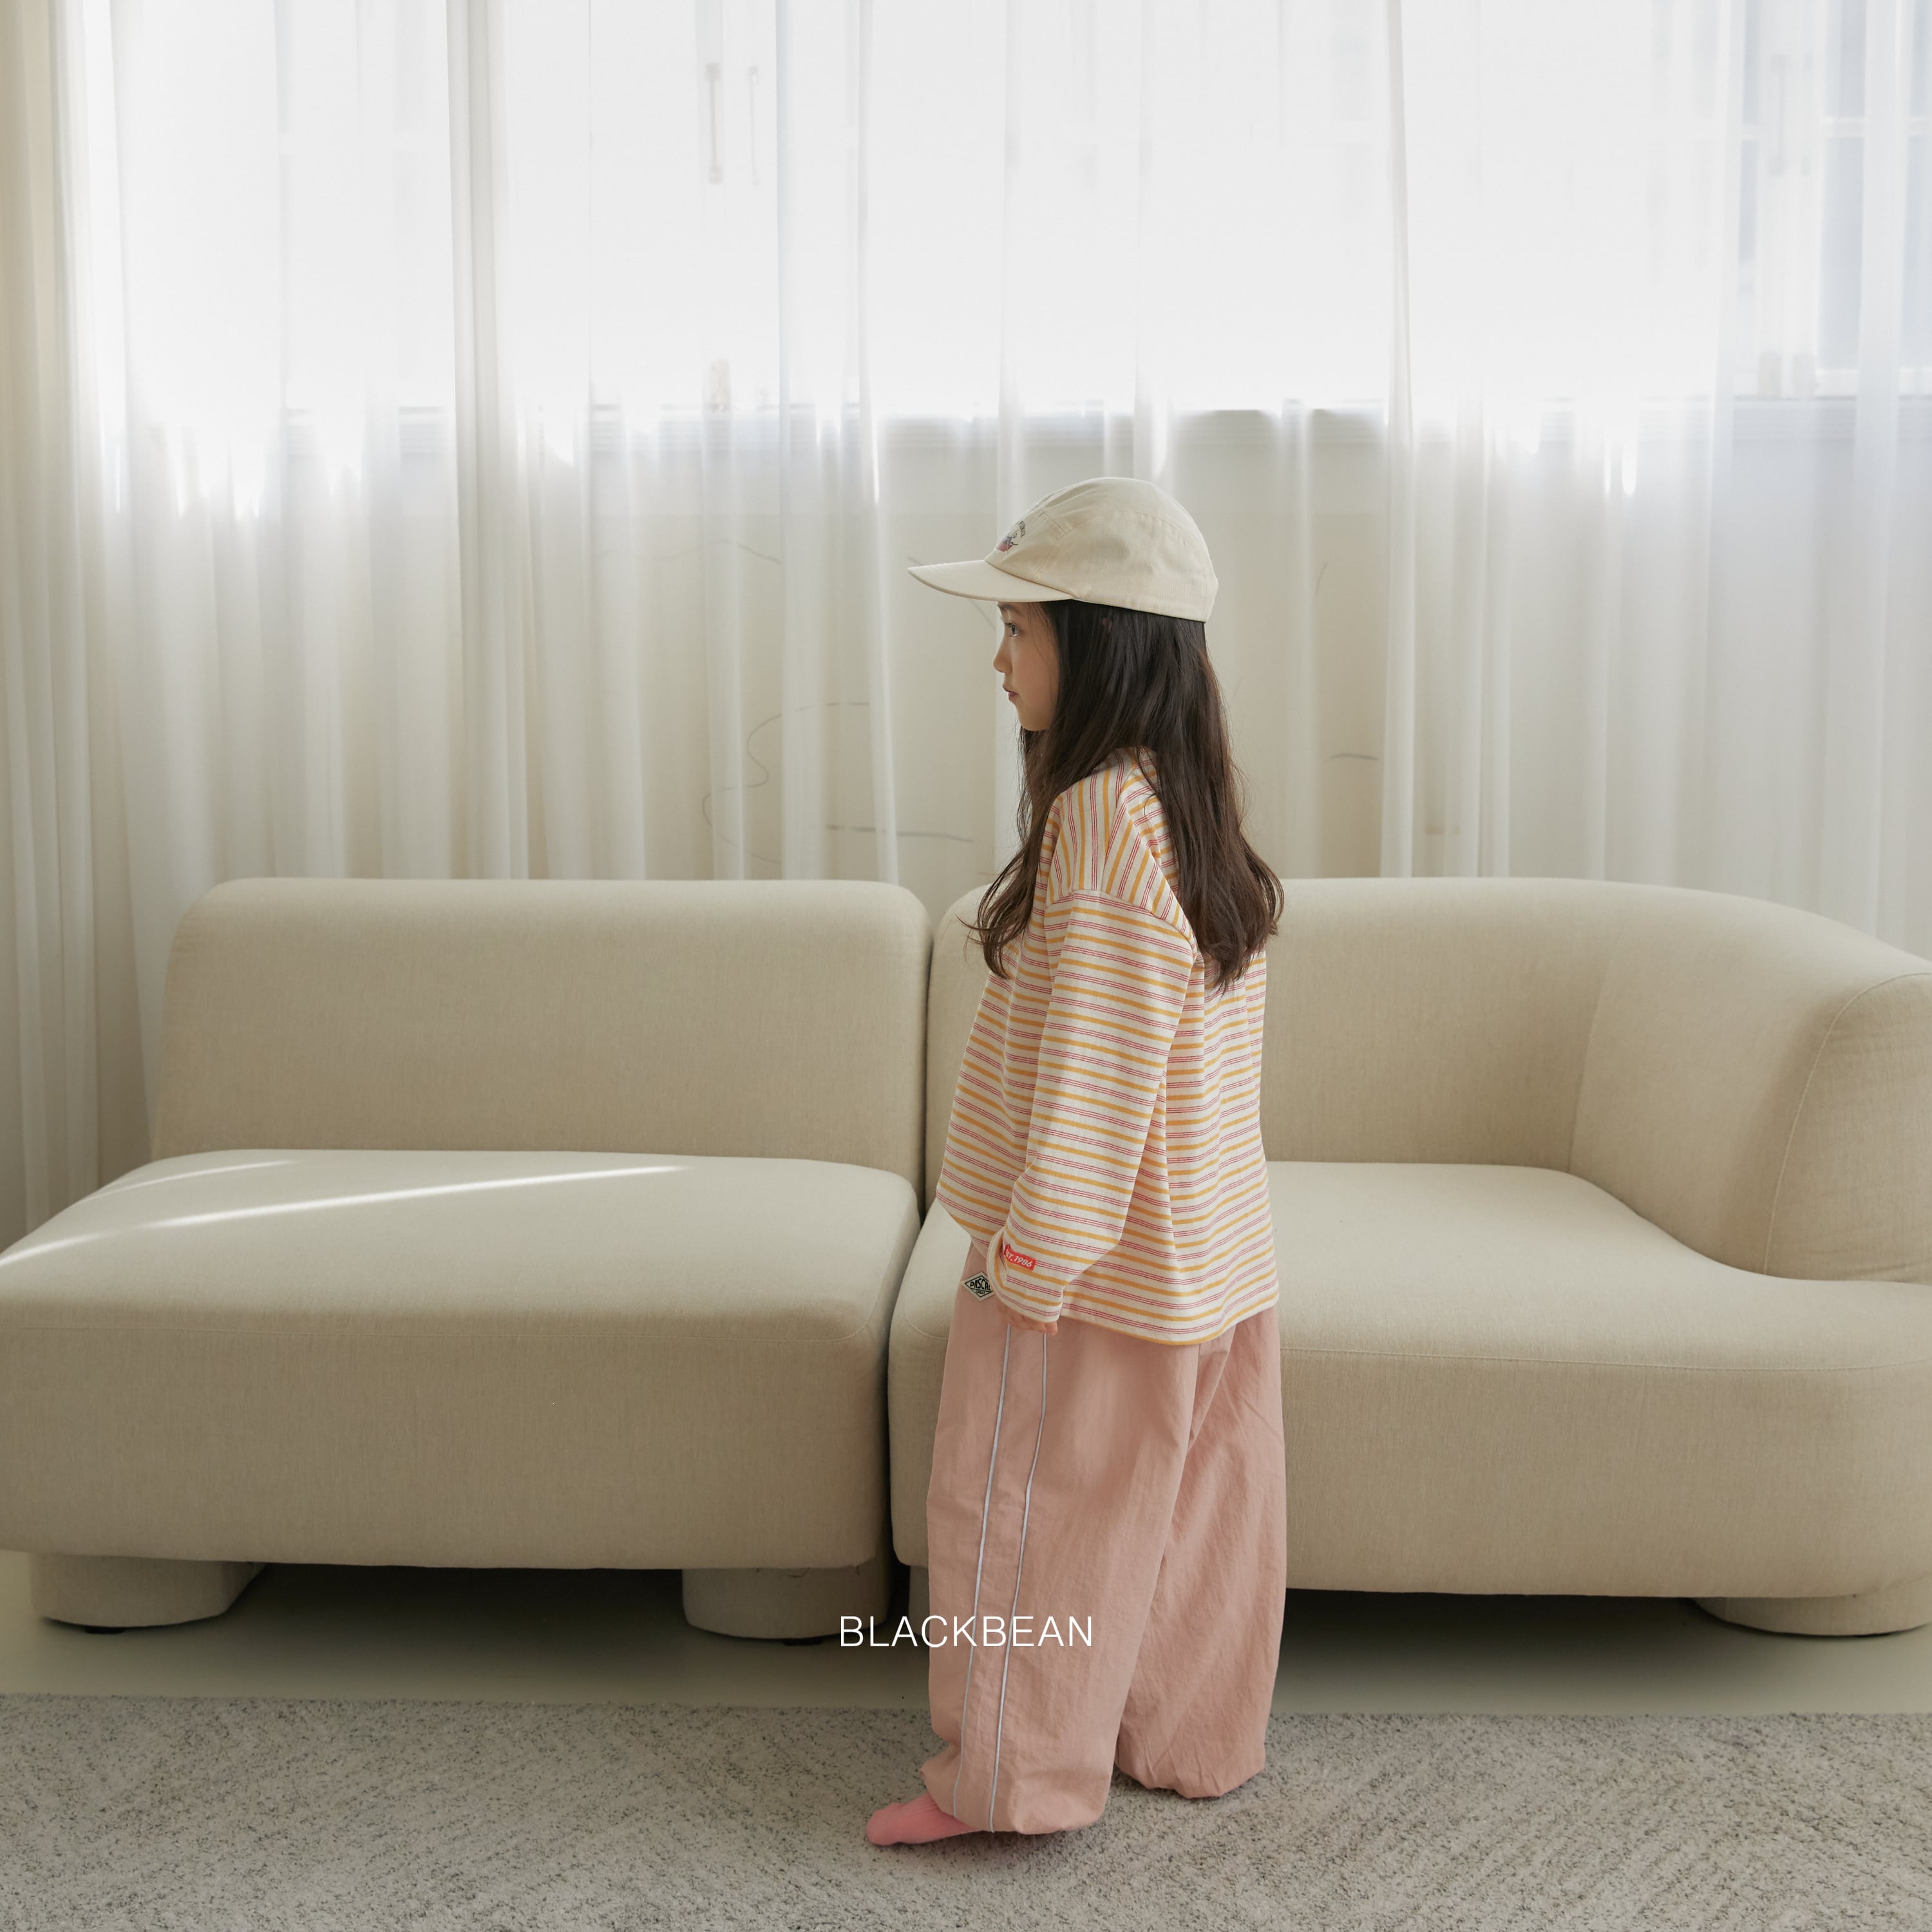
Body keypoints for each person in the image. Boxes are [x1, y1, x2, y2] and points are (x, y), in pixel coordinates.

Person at [867, 475, 1287, 1846]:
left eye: (1019, 631)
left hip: (1086, 1276)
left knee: (1026, 1522)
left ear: (1100, 644)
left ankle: (1005, 1782)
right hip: (1209, 1263)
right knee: (1190, 1517)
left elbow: (1098, 1086)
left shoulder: (1101, 818)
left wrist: (1028, 1267)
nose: (998, 663)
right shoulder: (1188, 809)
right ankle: (1187, 1741)